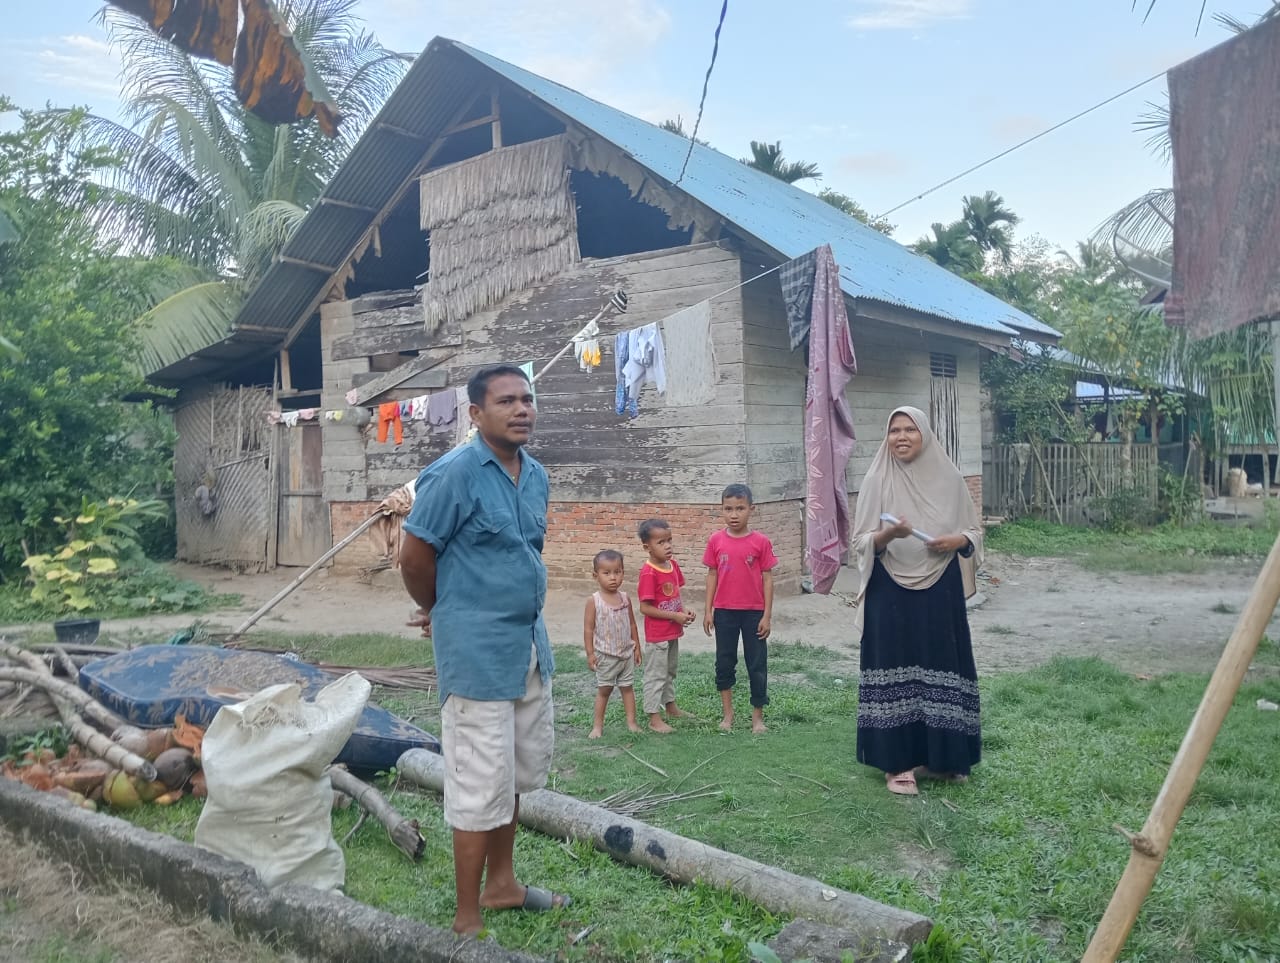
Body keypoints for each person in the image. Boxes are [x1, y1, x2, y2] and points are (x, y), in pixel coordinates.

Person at [399, 364, 570, 935]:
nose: (522, 409)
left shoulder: (536, 475)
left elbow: (526, 550)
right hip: (475, 656)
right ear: (475, 413)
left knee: (512, 774)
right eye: (506, 401)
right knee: (477, 784)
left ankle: (502, 886)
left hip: (527, 646)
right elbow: (414, 558)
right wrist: (442, 609)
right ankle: (466, 917)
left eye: (527, 399)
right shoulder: (454, 474)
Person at [850, 406, 983, 796]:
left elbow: (974, 531)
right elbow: (860, 542)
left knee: (941, 662)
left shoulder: (950, 478)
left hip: (940, 585)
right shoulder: (877, 478)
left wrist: (957, 540)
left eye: (910, 429)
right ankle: (898, 764)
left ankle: (945, 758)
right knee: (895, 664)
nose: (902, 437)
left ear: (924, 434)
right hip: (889, 587)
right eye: (894, 430)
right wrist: (889, 535)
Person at [702, 483, 777, 734]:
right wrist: (708, 610)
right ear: (722, 509)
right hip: (724, 612)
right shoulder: (716, 540)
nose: (734, 515)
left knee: (757, 664)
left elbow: (767, 579)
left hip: (754, 613)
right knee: (724, 662)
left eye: (740, 508)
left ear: (751, 509)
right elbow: (712, 574)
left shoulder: (761, 542)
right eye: (728, 509)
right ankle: (728, 715)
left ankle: (757, 717)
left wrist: (767, 615)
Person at [636, 518, 696, 733]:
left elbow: (675, 596)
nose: (668, 546)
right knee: (656, 675)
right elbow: (645, 608)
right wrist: (674, 615)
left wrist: (684, 612)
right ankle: (654, 717)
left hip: (672, 632)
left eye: (669, 540)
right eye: (661, 542)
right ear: (647, 547)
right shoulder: (649, 573)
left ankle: (670, 706)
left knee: (670, 671)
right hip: (657, 635)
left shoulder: (673, 565)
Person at [583, 549, 643, 738]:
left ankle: (631, 722)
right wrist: (590, 654)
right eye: (606, 573)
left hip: (626, 654)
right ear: (596, 576)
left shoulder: (625, 598)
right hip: (606, 656)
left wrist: (637, 647)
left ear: (623, 572)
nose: (613, 577)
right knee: (605, 690)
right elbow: (588, 629)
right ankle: (597, 726)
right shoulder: (594, 601)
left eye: (617, 572)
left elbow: (632, 624)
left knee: (627, 688)